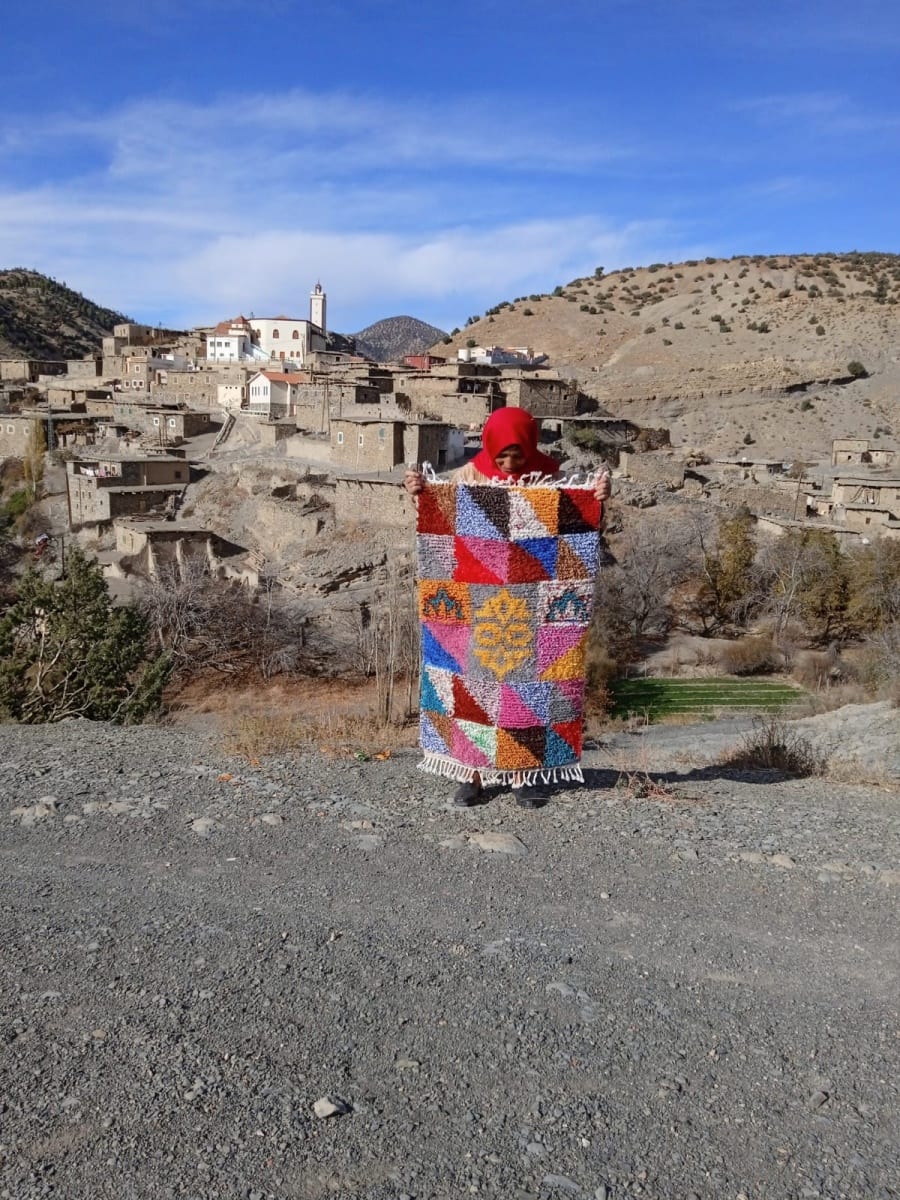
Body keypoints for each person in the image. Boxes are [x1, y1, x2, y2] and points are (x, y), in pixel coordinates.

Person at [405, 407, 612, 809]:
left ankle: (523, 773)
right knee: (471, 685)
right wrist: (418, 492)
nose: (510, 464)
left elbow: (579, 524)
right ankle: (471, 774)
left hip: (534, 605)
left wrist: (599, 498)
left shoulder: (549, 478)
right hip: (474, 603)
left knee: (528, 690)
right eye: (502, 456)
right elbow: (439, 518)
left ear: (531, 448)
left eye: (518, 456)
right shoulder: (468, 476)